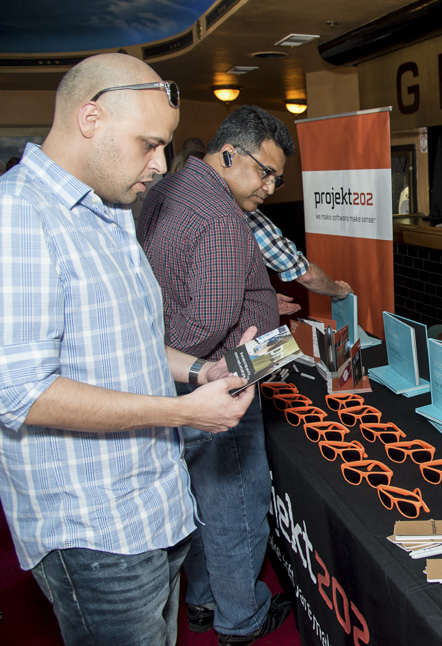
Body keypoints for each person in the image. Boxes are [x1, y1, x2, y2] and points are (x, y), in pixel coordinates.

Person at [0, 52, 255, 646]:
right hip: (94, 533)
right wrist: (183, 412)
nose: (161, 164)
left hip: (153, 508)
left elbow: (132, 345)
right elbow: (21, 393)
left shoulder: (111, 213)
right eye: (149, 144)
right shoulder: (18, 214)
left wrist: (202, 371)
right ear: (90, 119)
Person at [137, 105, 294, 646]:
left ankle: (204, 600)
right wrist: (202, 372)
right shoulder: (224, 219)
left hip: (177, 378)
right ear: (229, 155)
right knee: (238, 505)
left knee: (203, 500)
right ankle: (241, 619)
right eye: (265, 173)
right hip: (221, 383)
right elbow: (206, 324)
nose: (270, 187)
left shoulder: (169, 187)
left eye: (277, 179)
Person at [167, 148, 353, 315]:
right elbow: (305, 274)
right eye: (265, 174)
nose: (269, 189)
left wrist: (257, 300)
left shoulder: (168, 209)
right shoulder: (239, 212)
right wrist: (340, 291)